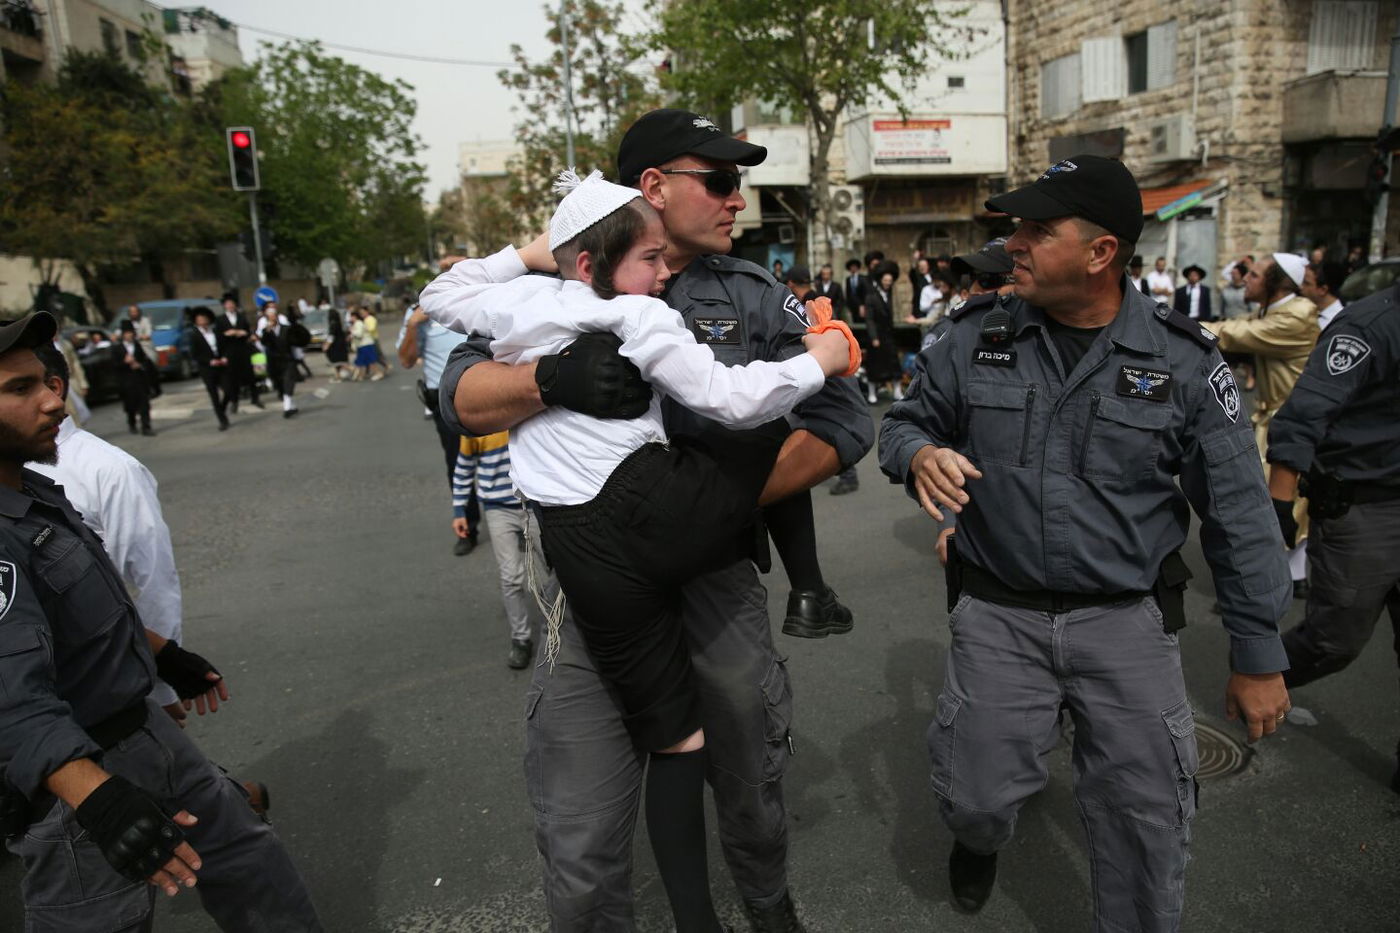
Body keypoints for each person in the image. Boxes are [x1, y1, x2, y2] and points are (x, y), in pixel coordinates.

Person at [435, 109, 873, 933]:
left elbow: (845, 419)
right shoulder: (556, 290)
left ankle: (768, 904)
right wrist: (553, 379)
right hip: (595, 579)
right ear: (653, 188)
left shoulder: (749, 293)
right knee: (581, 819)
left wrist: (717, 501)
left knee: (746, 769)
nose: (737, 199)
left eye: (738, 182)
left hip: (713, 572)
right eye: (719, 179)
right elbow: (459, 397)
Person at [880, 155, 1292, 927]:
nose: (1015, 244)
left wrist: (1259, 648)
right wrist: (918, 454)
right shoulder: (976, 334)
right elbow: (905, 422)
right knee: (975, 798)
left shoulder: (1185, 360)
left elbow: (1240, 512)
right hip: (999, 614)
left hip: (1126, 622)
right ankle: (979, 839)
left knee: (1146, 825)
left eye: (1038, 229)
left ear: (1102, 253)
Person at [0, 312, 322, 930]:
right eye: (21, 389)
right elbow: (14, 699)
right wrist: (98, 800)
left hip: (146, 735)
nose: (54, 402)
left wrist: (160, 652)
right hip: (75, 775)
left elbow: (86, 612)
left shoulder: (36, 493)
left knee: (252, 863)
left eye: (49, 380)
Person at [1264, 280, 1400, 795]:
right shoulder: (1370, 325)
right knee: (1334, 641)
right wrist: (1279, 504)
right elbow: (1302, 417)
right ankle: (1260, 674)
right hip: (1366, 509)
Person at [1205, 253, 1319, 598]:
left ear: (1277, 282)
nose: (1245, 279)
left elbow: (1237, 333)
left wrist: (1174, 324)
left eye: (1254, 274)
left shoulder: (1297, 314)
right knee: (1278, 501)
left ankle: (1269, 584)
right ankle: (1287, 578)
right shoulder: (1275, 309)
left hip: (1293, 422)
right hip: (1273, 418)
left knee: (1279, 501)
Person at [450, 429, 554, 668]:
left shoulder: (525, 417)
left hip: (534, 504)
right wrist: (459, 511)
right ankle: (521, 639)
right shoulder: (477, 426)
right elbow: (464, 467)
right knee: (511, 577)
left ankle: (556, 631)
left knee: (548, 574)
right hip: (498, 510)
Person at [398, 293, 478, 555]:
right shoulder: (419, 315)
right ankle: (468, 526)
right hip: (446, 402)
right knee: (456, 463)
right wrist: (412, 324)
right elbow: (406, 360)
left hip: (485, 393)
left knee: (509, 458)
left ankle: (515, 523)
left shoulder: (474, 301)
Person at [214, 291, 263, 412]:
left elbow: (248, 332)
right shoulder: (220, 320)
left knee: (251, 375)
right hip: (229, 351)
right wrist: (226, 334)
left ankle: (255, 398)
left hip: (243, 349)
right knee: (232, 378)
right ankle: (234, 401)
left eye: (232, 304)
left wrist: (244, 333)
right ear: (224, 306)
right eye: (228, 304)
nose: (230, 306)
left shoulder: (241, 317)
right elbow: (217, 337)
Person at [186, 307, 231, 431]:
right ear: (196, 321)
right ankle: (222, 420)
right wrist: (210, 361)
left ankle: (221, 409)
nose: (203, 321)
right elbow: (194, 354)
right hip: (207, 369)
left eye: (205, 319)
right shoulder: (194, 335)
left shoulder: (215, 331)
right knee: (214, 395)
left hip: (221, 365)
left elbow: (224, 346)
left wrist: (225, 357)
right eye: (200, 319)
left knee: (229, 390)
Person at [863, 265, 902, 402]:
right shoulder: (871, 296)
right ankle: (872, 393)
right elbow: (869, 319)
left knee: (894, 363)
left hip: (888, 334)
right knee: (874, 366)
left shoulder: (890, 294)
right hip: (877, 335)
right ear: (881, 280)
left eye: (890, 281)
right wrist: (873, 337)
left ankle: (897, 391)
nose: (888, 283)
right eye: (886, 280)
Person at [259, 303, 303, 419]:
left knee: (289, 381)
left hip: (287, 359)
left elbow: (295, 343)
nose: (272, 318)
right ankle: (291, 406)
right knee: (280, 384)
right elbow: (263, 342)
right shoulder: (266, 331)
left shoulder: (286, 329)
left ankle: (287, 408)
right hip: (274, 361)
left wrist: (298, 356)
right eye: (270, 316)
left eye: (274, 315)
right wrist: (268, 330)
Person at [114, 318, 155, 436]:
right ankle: (132, 423)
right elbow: (114, 365)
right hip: (126, 381)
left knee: (144, 404)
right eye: (127, 333)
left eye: (131, 333)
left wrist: (139, 365)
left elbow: (144, 361)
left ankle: (146, 427)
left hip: (139, 379)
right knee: (130, 405)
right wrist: (124, 362)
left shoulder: (137, 346)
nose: (129, 335)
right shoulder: (117, 348)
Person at [1301, 260, 1347, 331]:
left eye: (1307, 283)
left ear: (1322, 290)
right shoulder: (1306, 310)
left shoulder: (1339, 323)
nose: (1301, 287)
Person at [323, 305, 353, 381]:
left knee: (337, 361)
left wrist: (326, 345)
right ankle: (337, 376)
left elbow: (331, 336)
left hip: (335, 347)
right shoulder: (339, 323)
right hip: (341, 345)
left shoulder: (333, 324)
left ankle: (354, 369)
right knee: (338, 362)